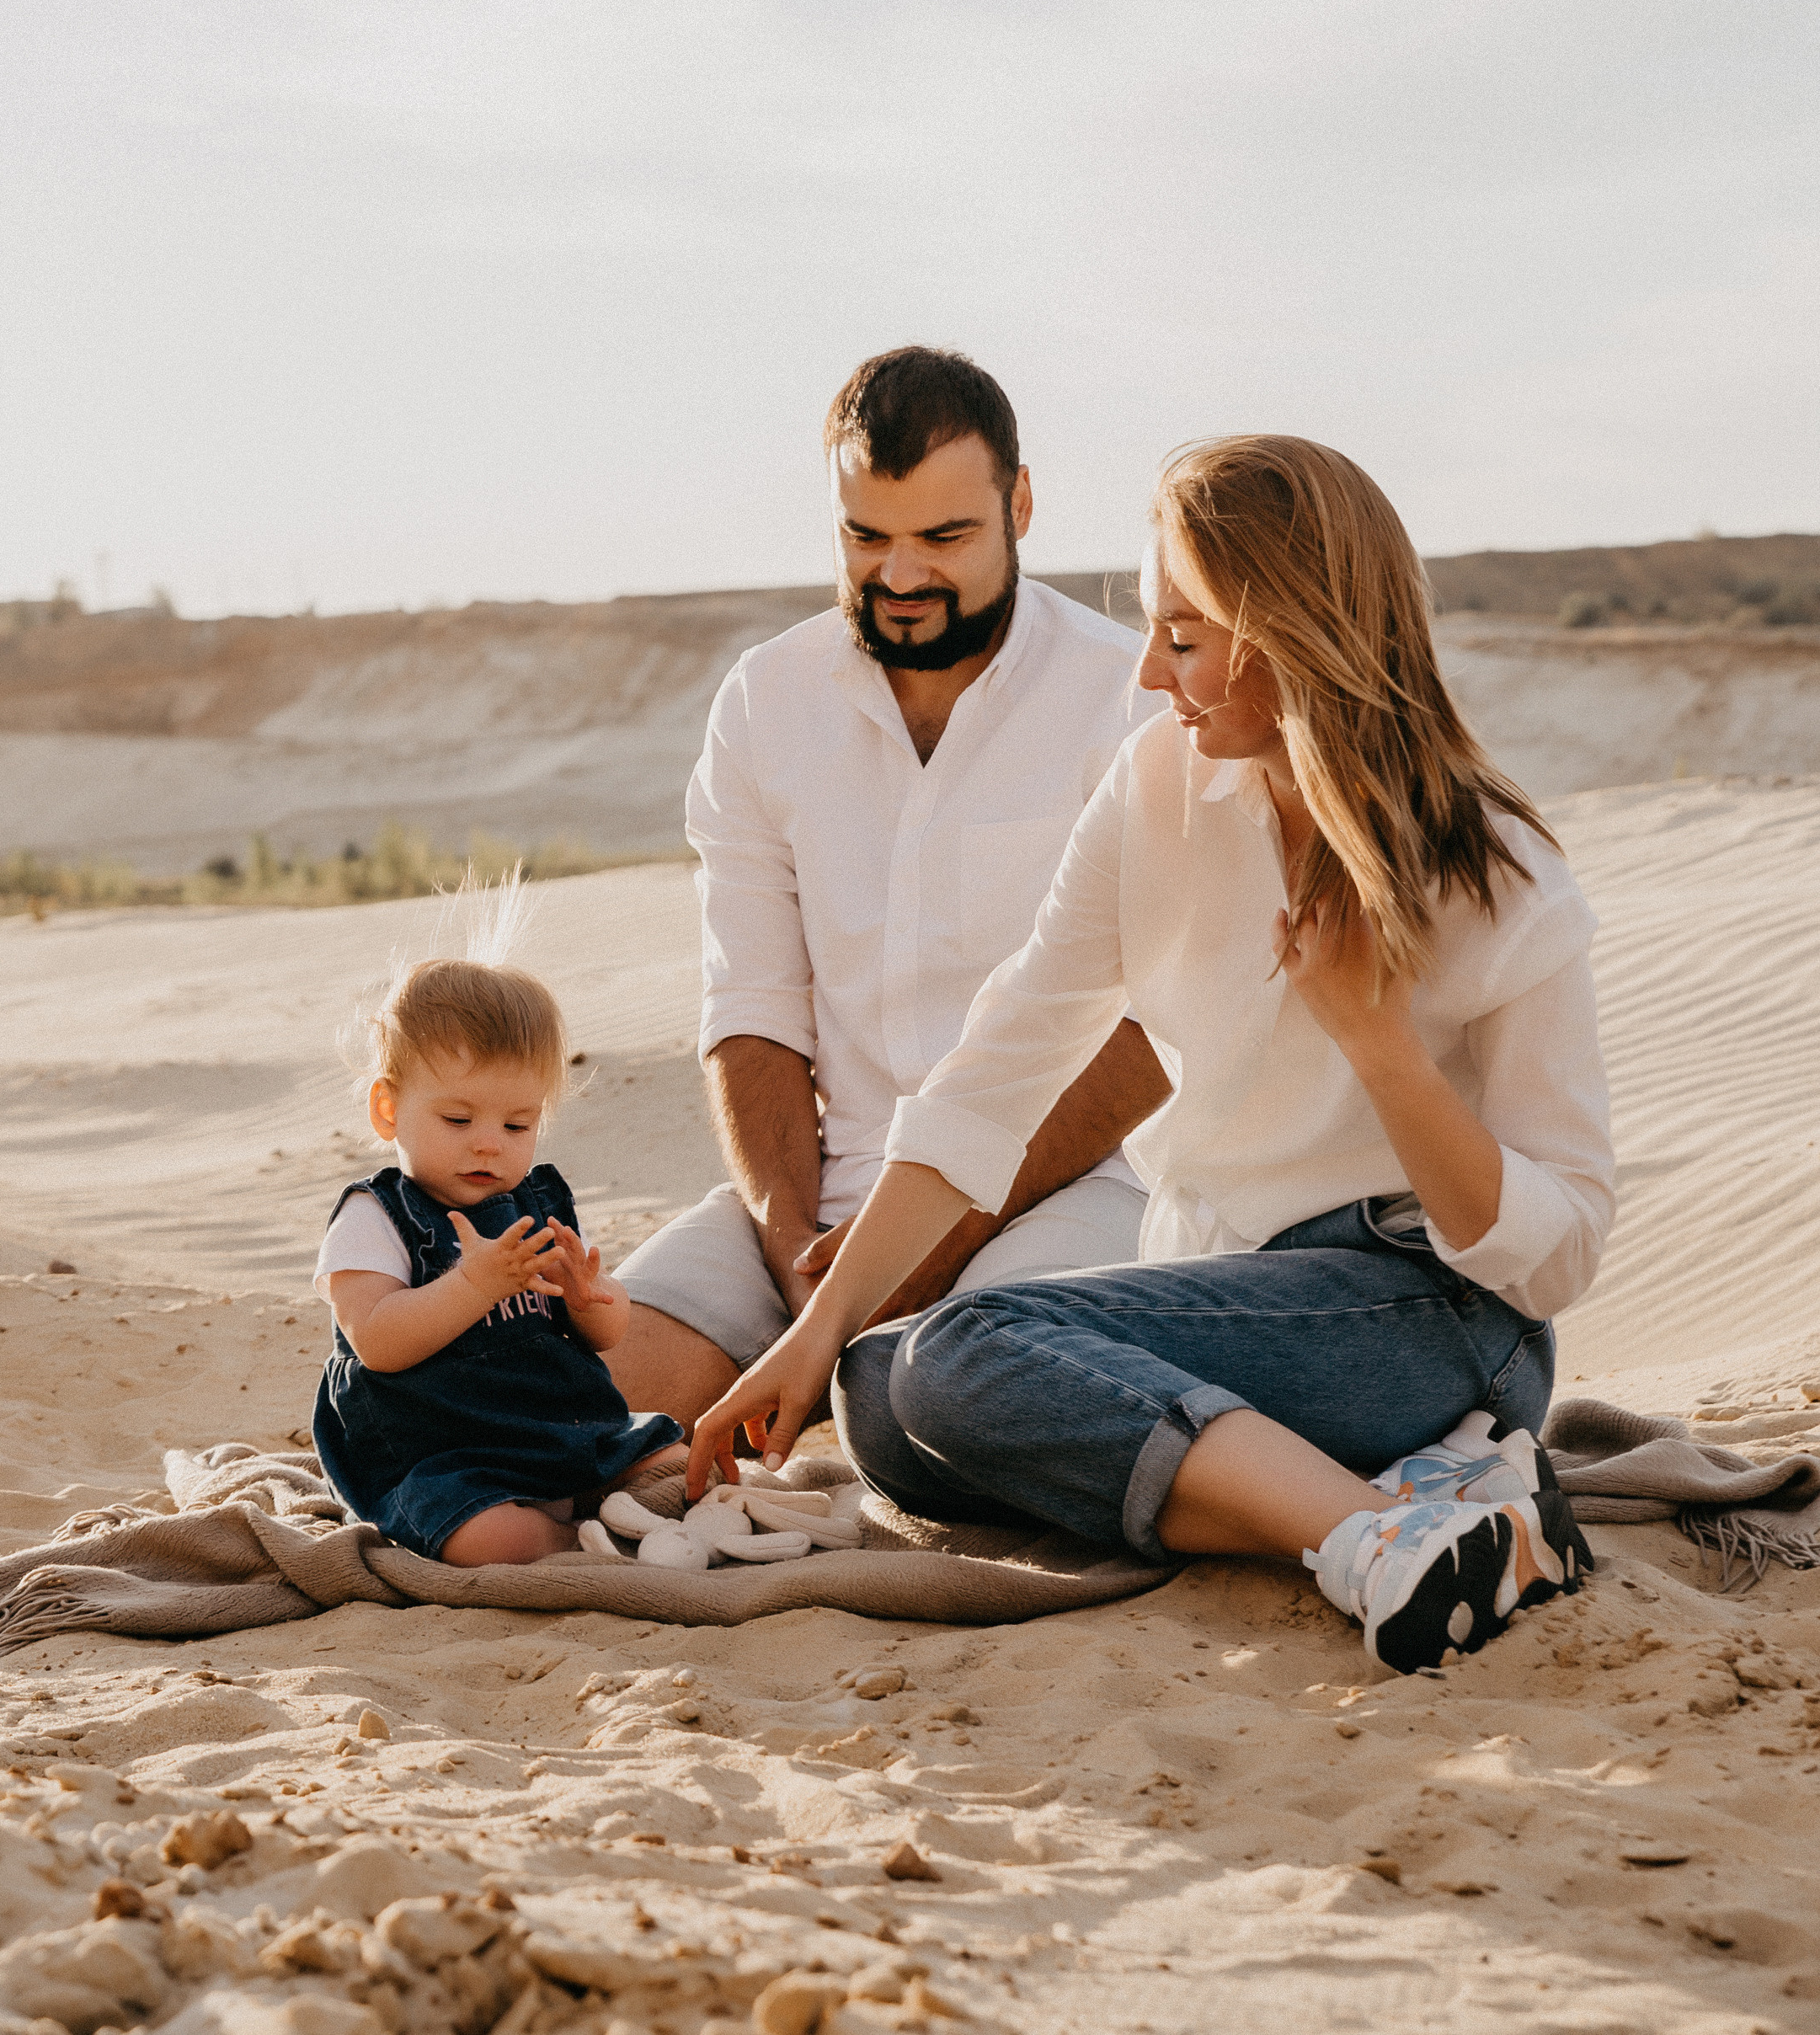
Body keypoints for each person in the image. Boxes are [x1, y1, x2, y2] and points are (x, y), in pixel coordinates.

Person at [688, 435, 1616, 1676]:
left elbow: (1558, 1254)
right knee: (878, 1397)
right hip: (1222, 1294)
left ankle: (1374, 1538)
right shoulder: (1159, 788)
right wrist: (817, 1328)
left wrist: (1375, 1044)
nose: (1145, 668)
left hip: (1432, 1316)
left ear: (1291, 640)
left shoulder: (1492, 868)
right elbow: (996, 1074)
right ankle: (1411, 1493)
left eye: (1184, 635)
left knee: (969, 1354)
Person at [606, 345, 1170, 1430]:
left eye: (943, 538)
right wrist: (789, 1248)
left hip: (1073, 1188)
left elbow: (1153, 1033)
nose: (900, 576)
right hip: (824, 1194)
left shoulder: (1125, 699)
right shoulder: (767, 700)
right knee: (589, 1401)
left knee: (941, 1400)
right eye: (866, 537)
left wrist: (931, 1241)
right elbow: (754, 1008)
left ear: (1021, 506)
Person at [312, 932, 681, 1565]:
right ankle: (583, 1545)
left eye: (517, 1125)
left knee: (679, 1465)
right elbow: (376, 1340)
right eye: (458, 1121)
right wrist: (473, 1285)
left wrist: (589, 1296)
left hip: (561, 1435)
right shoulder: (373, 1217)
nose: (489, 1144)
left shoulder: (538, 1205)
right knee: (490, 1539)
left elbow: (605, 1334)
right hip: (446, 1458)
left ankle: (622, 1518)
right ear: (387, 1109)